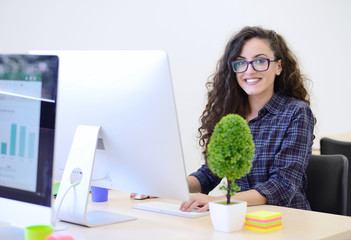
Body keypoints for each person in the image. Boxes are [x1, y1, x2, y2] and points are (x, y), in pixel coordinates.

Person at [180, 26, 315, 212]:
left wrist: (220, 200)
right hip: (241, 218)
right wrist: (170, 187)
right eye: (241, 63)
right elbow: (210, 174)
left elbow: (282, 186)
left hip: (285, 220)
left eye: (260, 61)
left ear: (279, 66)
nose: (249, 71)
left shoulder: (296, 112)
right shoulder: (231, 115)